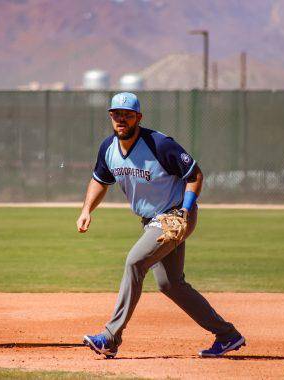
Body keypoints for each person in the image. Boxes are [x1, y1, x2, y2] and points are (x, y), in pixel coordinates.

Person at [77, 92, 245, 358]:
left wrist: (185, 212)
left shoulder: (159, 145)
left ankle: (110, 338)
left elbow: (195, 175)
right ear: (111, 117)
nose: (121, 119)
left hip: (174, 216)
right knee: (170, 284)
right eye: (116, 114)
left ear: (138, 118)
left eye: (127, 115)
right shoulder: (108, 148)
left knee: (134, 262)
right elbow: (99, 180)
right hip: (151, 221)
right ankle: (227, 335)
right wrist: (87, 209)